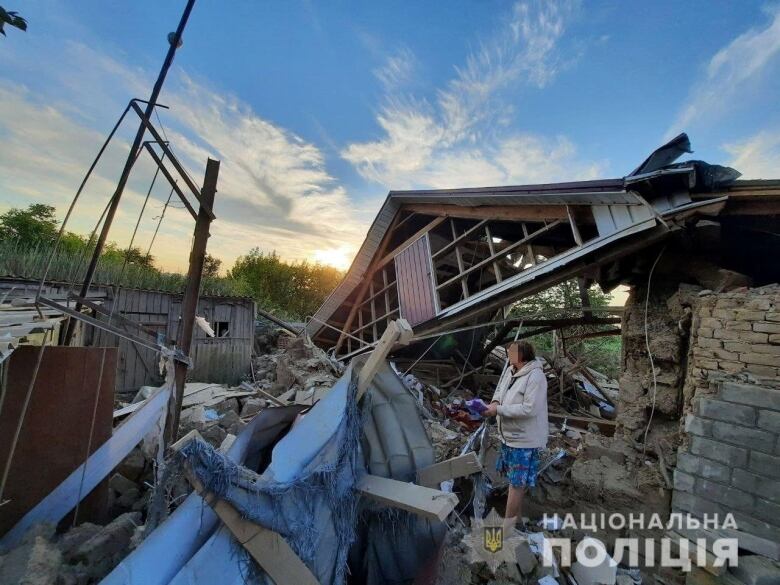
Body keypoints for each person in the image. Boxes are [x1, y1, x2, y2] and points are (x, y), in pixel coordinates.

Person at [482, 340, 548, 532]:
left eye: (511, 352)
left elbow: (530, 409)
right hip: (509, 435)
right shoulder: (510, 371)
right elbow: (499, 392)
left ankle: (507, 528)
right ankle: (517, 522)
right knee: (514, 482)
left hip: (524, 439)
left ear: (522, 355)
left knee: (516, 484)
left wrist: (498, 410)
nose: (508, 354)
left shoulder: (536, 376)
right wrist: (492, 403)